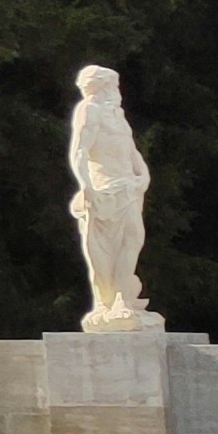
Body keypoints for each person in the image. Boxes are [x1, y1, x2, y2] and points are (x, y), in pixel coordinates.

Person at [67, 65, 157, 330]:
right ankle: (108, 302)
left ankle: (122, 298)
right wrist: (86, 186)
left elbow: (132, 152)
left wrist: (144, 175)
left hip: (129, 188)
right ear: (103, 87)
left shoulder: (118, 116)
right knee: (103, 249)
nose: (118, 91)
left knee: (133, 238)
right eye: (114, 85)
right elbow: (80, 152)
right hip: (105, 190)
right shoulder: (89, 110)